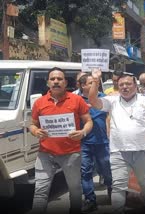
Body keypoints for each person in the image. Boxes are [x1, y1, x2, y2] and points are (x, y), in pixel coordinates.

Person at [88, 69, 145, 213]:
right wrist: (96, 81)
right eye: (121, 85)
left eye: (128, 84)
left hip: (142, 150)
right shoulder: (112, 101)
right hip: (118, 152)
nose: (124, 87)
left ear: (136, 86)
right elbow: (93, 100)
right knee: (118, 185)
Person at [28, 67, 93, 214]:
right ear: (47, 83)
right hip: (45, 153)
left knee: (75, 188)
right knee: (40, 190)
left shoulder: (77, 100)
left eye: (59, 79)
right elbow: (32, 124)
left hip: (71, 153)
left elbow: (89, 121)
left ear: (65, 82)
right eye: (52, 79)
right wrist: (36, 131)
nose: (56, 81)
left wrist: (82, 132)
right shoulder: (39, 102)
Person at [78, 74, 113, 213]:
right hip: (84, 142)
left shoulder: (104, 98)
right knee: (85, 172)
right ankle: (90, 200)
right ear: (82, 86)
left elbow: (110, 117)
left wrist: (110, 135)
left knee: (106, 170)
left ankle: (112, 191)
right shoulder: (76, 100)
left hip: (102, 141)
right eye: (91, 83)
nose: (94, 85)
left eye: (95, 83)